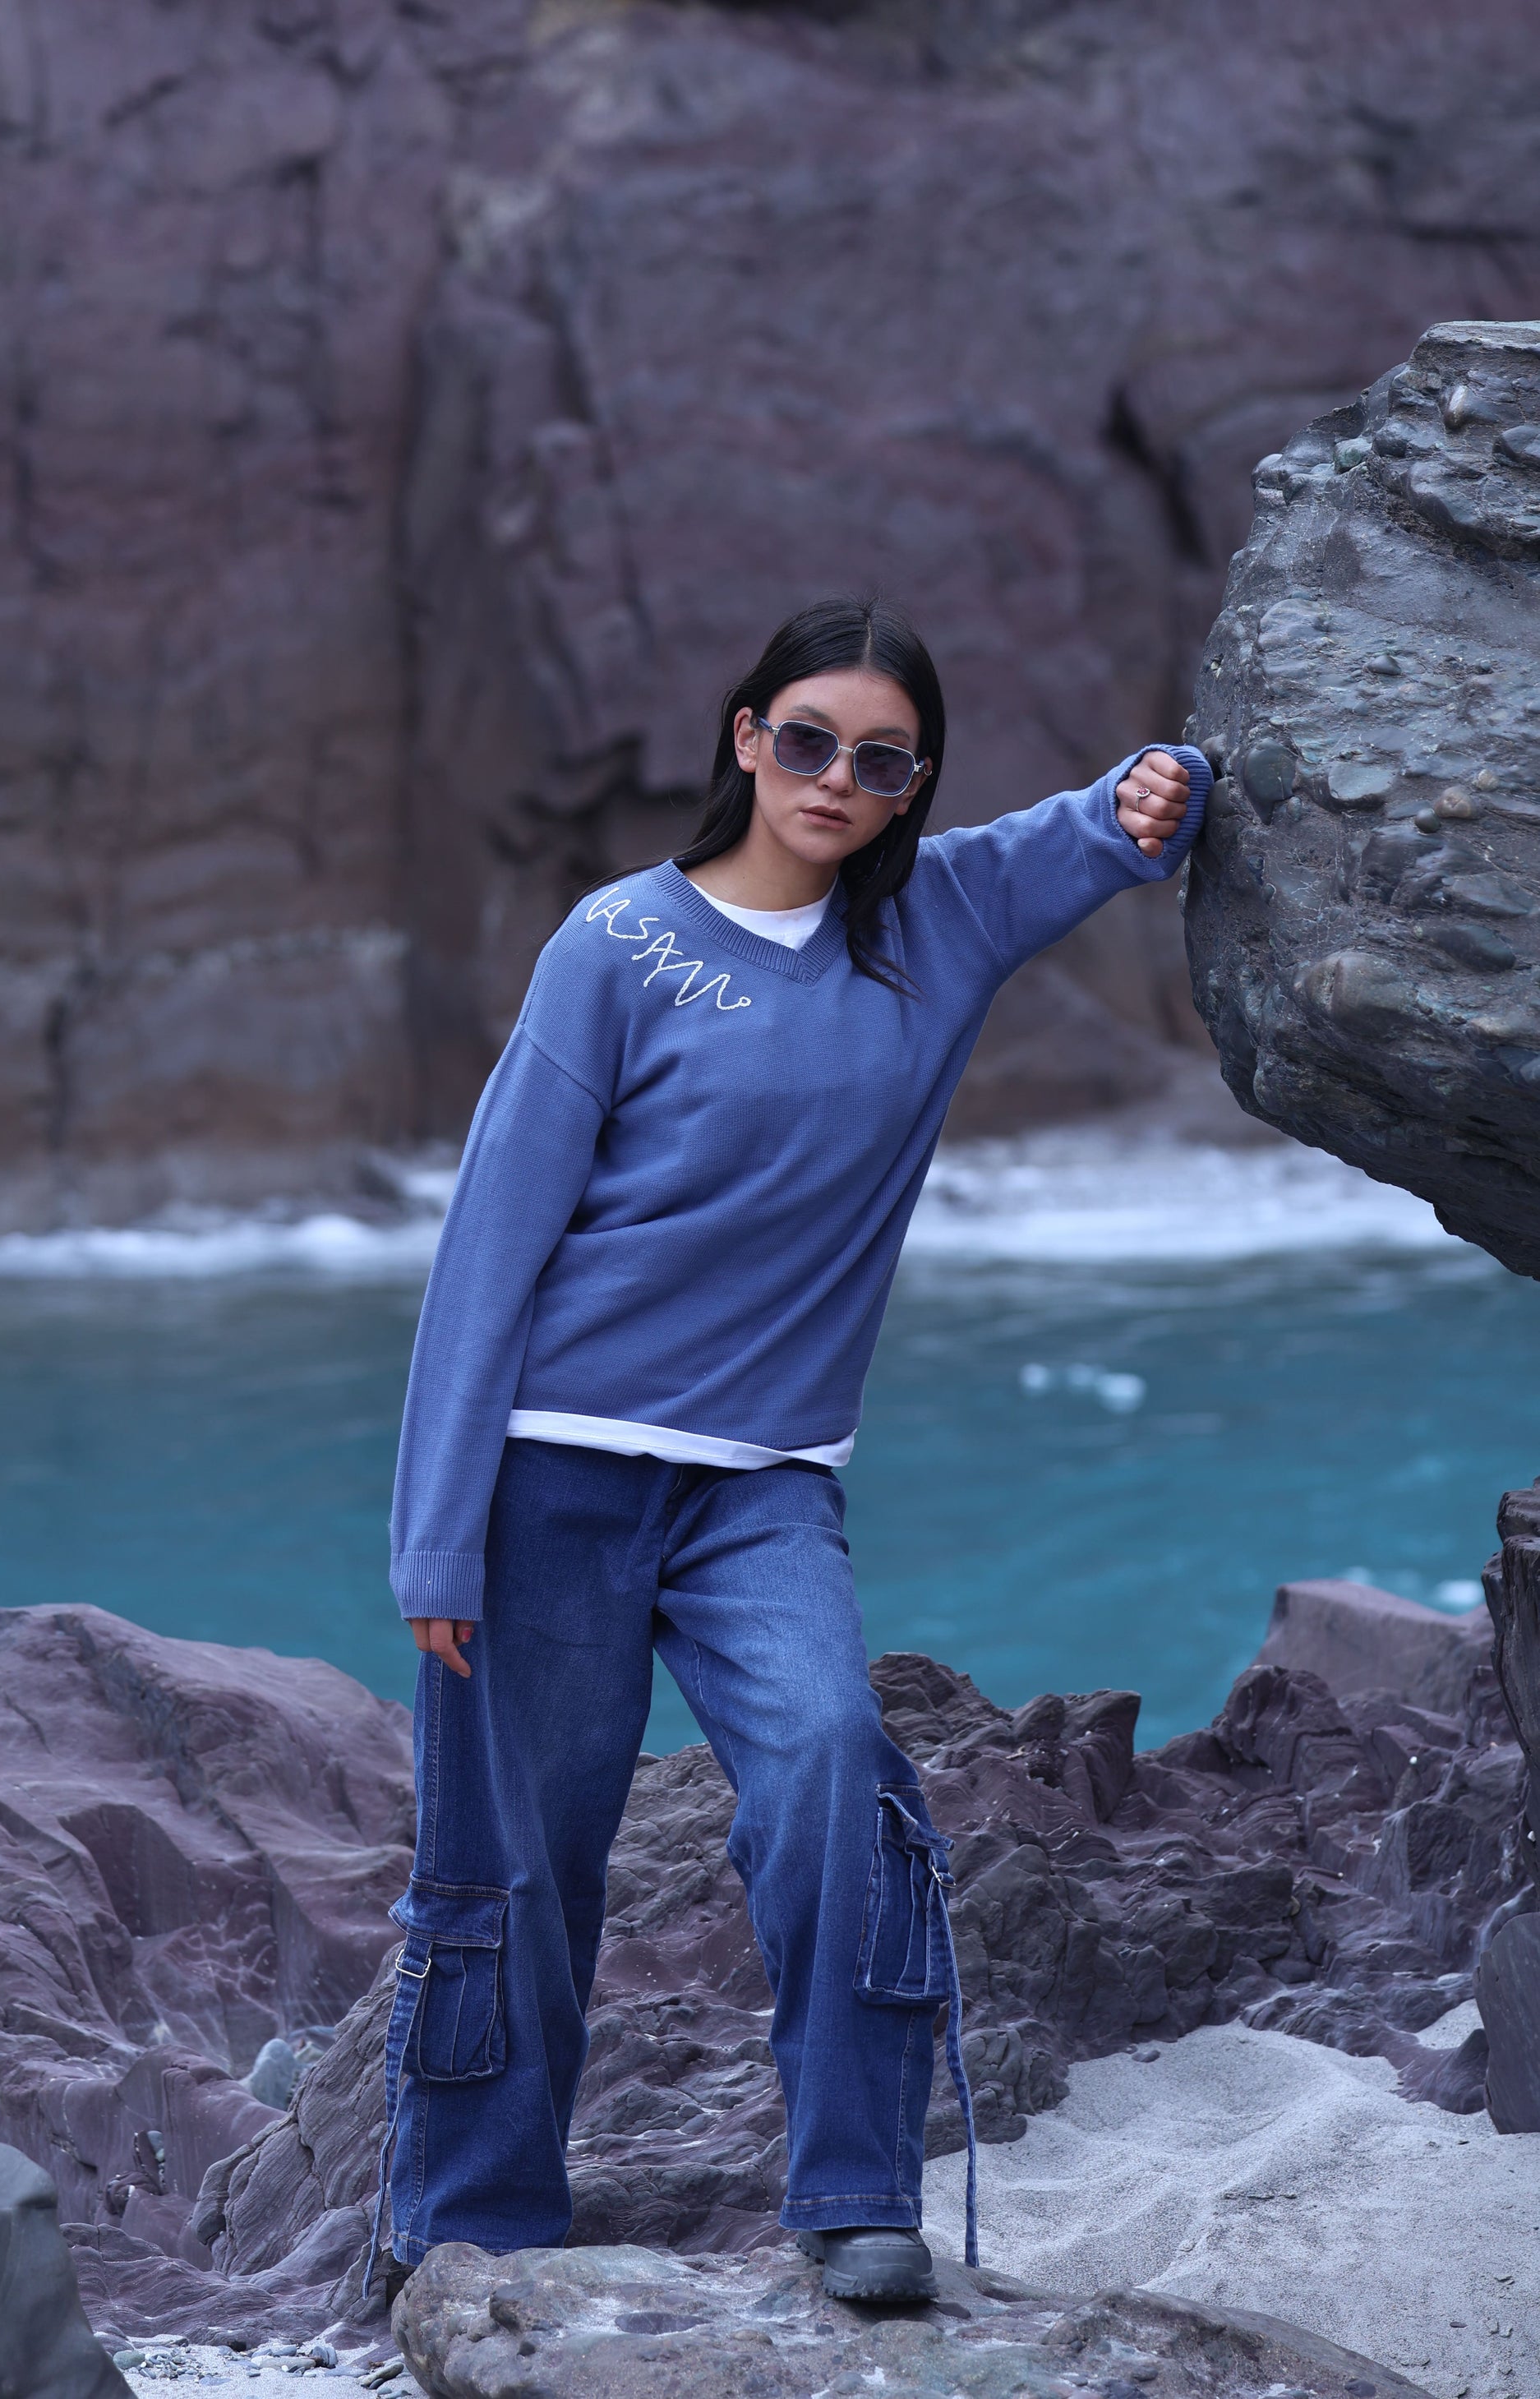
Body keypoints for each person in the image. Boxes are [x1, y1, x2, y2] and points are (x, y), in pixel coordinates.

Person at [375, 595, 1204, 2304]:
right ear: (744, 737)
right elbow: (489, 1249)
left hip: (761, 1486)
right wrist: (434, 1537)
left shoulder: (934, 930)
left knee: (833, 1761)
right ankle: (479, 2226)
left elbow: (1104, 824)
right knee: (517, 1863)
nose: (836, 774)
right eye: (806, 736)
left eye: (880, 756)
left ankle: (851, 2193)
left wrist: (1171, 777)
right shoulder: (615, 944)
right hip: (551, 1472)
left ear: (912, 787)